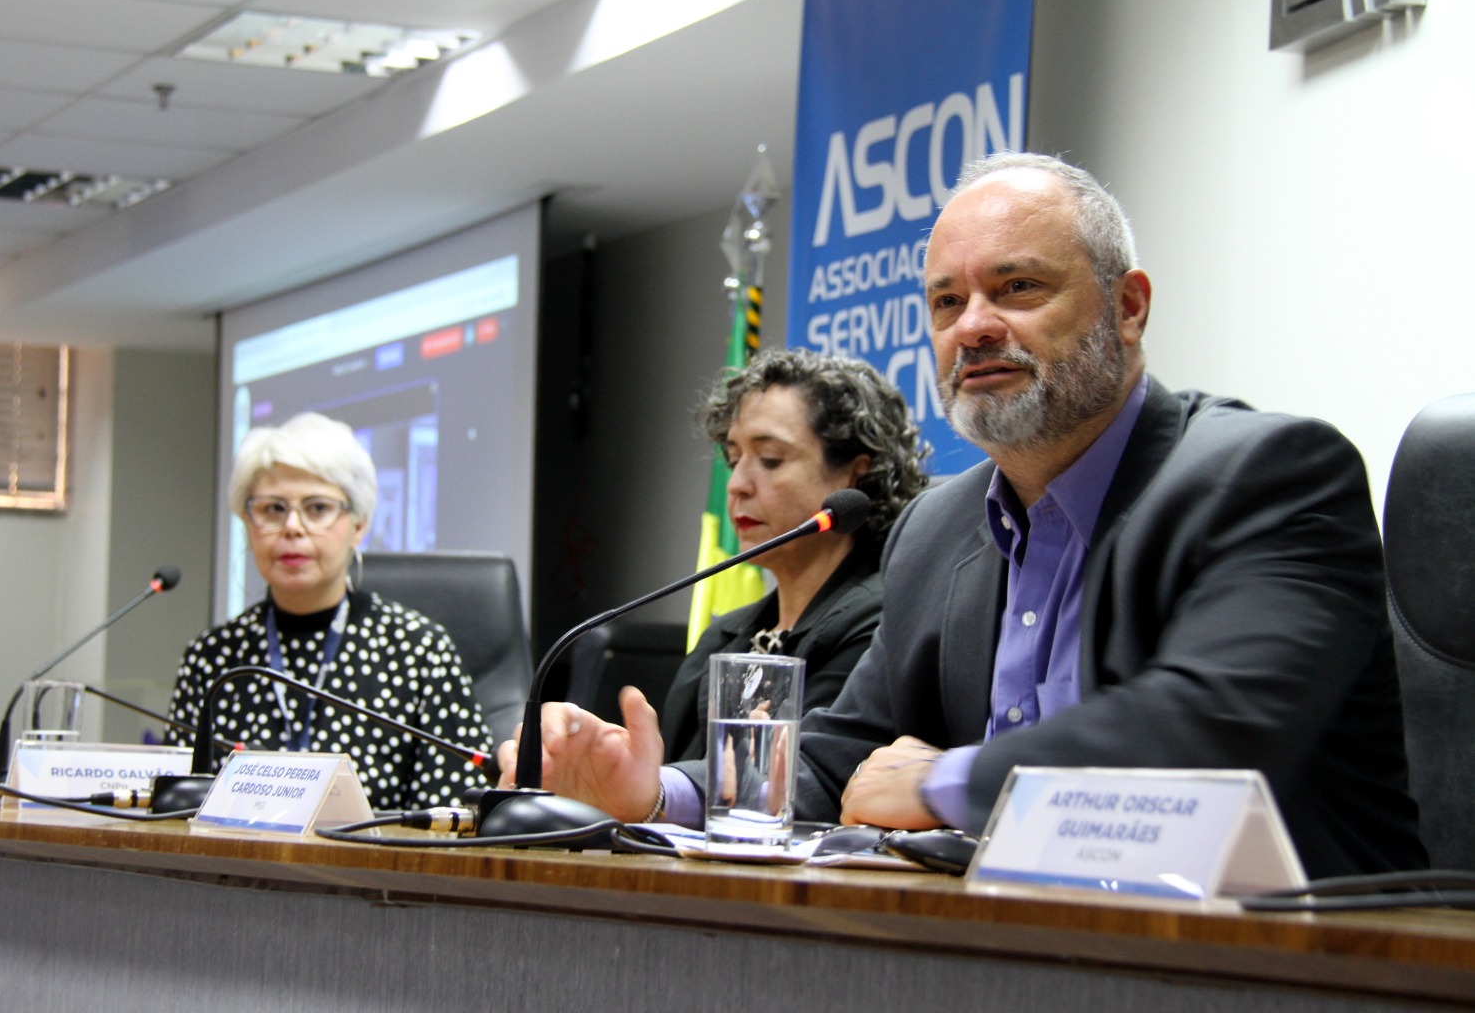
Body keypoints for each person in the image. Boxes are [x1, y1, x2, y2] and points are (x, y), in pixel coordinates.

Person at [501, 152, 1425, 878]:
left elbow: (1209, 731)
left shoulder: (1265, 474)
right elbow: (842, 757)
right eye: (947, 302)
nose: (973, 326)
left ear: (1128, 308)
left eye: (1017, 288)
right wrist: (658, 792)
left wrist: (945, 780)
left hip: (1289, 959)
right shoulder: (937, 529)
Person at [167, 412, 491, 811]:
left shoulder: (419, 653)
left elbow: (456, 817)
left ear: (359, 525)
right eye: (273, 509)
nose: (292, 527)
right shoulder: (211, 658)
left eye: (317, 508)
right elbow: (177, 811)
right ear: (247, 523)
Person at [657, 348, 928, 764]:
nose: (737, 484)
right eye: (733, 459)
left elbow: (797, 777)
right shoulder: (725, 635)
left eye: (770, 459)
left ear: (854, 474)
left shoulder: (881, 625)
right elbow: (670, 771)